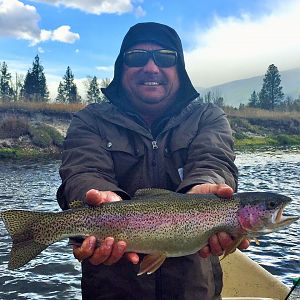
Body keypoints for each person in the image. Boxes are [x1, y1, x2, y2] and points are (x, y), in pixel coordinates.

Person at [57, 22, 249, 300]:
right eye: (136, 57)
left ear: (179, 68)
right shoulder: (90, 120)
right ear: (121, 67)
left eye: (165, 57)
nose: (151, 67)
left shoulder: (207, 117)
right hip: (112, 290)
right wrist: (99, 198)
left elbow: (214, 161)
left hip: (193, 290)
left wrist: (206, 191)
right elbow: (83, 171)